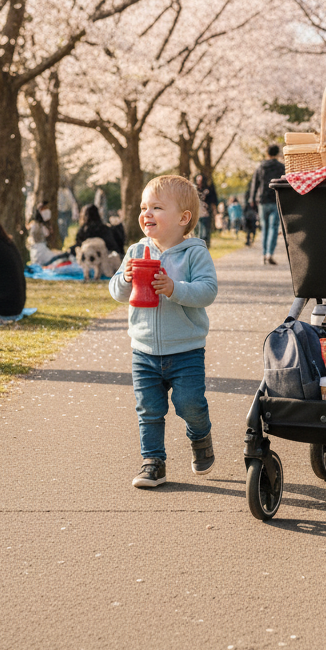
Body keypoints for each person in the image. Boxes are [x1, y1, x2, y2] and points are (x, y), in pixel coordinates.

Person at [109, 175, 219, 489]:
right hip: (143, 350)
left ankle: (200, 435)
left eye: (157, 207)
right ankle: (153, 462)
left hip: (185, 349)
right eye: (144, 207)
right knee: (149, 409)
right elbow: (116, 291)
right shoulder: (136, 251)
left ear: (183, 218)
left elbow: (207, 291)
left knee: (189, 404)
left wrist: (174, 288)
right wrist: (125, 278)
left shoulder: (194, 253)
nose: (147, 213)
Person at [249, 144, 286, 265]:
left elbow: (255, 183)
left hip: (262, 201)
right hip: (276, 200)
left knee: (264, 228)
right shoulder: (281, 167)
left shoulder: (261, 167)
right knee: (273, 228)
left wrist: (252, 198)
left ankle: (264, 254)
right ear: (277, 154)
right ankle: (270, 253)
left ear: (267, 153)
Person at [194, 174, 218, 247]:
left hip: (206, 212)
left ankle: (206, 244)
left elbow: (213, 201)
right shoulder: (195, 189)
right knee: (197, 229)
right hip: (197, 212)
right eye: (198, 180)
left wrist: (214, 211)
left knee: (205, 229)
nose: (199, 182)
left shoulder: (208, 190)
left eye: (200, 180)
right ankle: (198, 244)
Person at [27, 201, 53, 266]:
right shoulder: (38, 226)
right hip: (40, 251)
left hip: (36, 252)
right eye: (44, 209)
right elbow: (47, 234)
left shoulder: (35, 224)